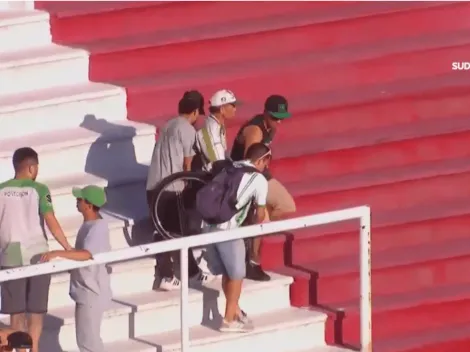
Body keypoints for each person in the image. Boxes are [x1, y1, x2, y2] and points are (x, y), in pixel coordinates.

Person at [0, 147, 72, 352]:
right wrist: (67, 247)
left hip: (9, 254)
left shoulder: (0, 189)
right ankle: (35, 348)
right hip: (37, 254)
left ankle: (20, 349)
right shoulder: (40, 189)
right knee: (36, 310)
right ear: (31, 167)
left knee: (16, 312)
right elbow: (50, 219)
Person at [146, 90, 212, 291]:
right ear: (194, 112)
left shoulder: (168, 125)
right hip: (171, 188)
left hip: (153, 186)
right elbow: (187, 165)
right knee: (180, 231)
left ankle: (168, 273)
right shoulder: (187, 130)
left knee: (163, 230)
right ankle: (189, 274)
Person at [203, 143, 271, 333]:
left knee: (228, 271)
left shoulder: (230, 167)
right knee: (237, 274)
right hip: (228, 230)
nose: (267, 167)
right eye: (266, 162)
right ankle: (227, 320)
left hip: (208, 227)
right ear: (260, 160)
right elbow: (260, 214)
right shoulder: (259, 180)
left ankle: (235, 311)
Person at [230, 95, 296, 281]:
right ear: (265, 113)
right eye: (275, 117)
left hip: (262, 175)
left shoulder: (270, 127)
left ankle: (252, 233)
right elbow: (250, 163)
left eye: (281, 117)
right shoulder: (255, 131)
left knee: (286, 206)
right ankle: (253, 261)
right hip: (247, 177)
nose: (279, 121)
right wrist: (255, 192)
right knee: (262, 217)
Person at [41, 185, 111, 352]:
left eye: (80, 199)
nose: (77, 201)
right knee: (87, 341)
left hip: (91, 293)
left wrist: (57, 253)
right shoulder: (89, 225)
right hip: (87, 291)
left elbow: (87, 254)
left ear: (89, 205)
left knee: (88, 343)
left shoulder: (97, 228)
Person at [194, 89, 238, 171]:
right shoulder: (211, 131)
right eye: (233, 105)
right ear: (222, 109)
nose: (235, 109)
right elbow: (218, 164)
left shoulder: (218, 125)